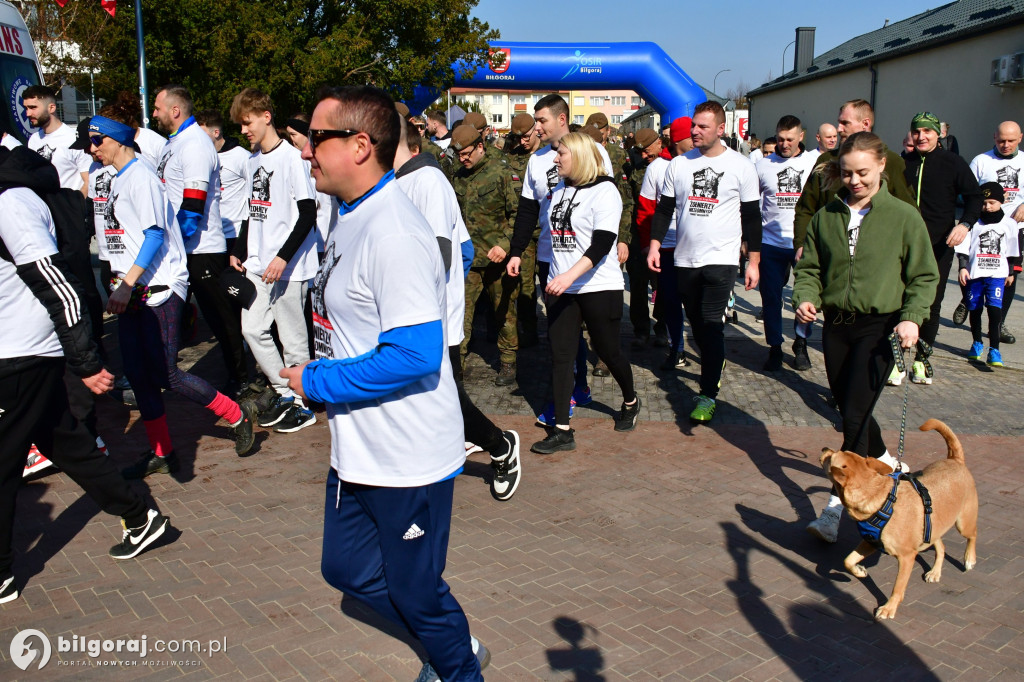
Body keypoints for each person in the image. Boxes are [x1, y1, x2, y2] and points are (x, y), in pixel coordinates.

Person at [282, 84, 488, 681]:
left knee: (417, 592)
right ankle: (453, 648)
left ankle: (458, 666)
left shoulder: (393, 232)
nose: (306, 152)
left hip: (408, 456)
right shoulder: (350, 216)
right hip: (359, 448)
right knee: (347, 573)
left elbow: (415, 356)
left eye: (318, 139)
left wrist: (316, 380)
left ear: (362, 145)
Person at [0, 142, 173, 604]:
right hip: (17, 353)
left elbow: (62, 288)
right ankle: (140, 516)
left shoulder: (10, 202)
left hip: (20, 354)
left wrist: (86, 362)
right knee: (67, 444)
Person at [89, 110, 255, 478]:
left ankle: (236, 413)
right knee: (137, 373)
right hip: (131, 289)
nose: (92, 148)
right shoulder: (116, 179)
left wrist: (129, 283)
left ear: (117, 139)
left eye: (97, 140)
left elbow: (154, 235)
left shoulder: (141, 179)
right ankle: (161, 451)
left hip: (159, 288)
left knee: (167, 375)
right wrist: (120, 281)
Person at [793, 131, 939, 543]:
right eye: (846, 173)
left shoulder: (903, 216)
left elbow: (925, 275)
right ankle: (890, 466)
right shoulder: (827, 217)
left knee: (854, 417)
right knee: (847, 405)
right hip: (837, 325)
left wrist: (912, 318)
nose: (854, 181)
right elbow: (810, 270)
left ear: (881, 166)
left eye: (862, 172)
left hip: (882, 326)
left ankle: (835, 508)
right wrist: (806, 297)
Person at [395, 116, 522, 501]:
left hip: (427, 318)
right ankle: (445, 447)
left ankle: (500, 447)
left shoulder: (429, 180)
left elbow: (446, 252)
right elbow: (465, 246)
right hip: (412, 316)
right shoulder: (397, 183)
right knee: (428, 396)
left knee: (443, 395)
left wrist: (438, 303)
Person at [508, 132, 640, 454]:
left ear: (579, 156)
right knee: (561, 355)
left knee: (608, 351)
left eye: (561, 154)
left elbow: (602, 243)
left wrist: (569, 276)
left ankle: (631, 400)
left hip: (598, 286)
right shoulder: (559, 190)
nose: (555, 160)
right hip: (561, 287)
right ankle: (562, 431)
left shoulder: (606, 191)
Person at [647, 100, 762, 423]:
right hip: (685, 259)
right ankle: (716, 360)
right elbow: (665, 208)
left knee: (711, 326)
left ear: (721, 129)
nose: (695, 132)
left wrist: (753, 261)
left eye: (703, 126)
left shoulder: (741, 166)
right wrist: (655, 245)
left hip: (722, 261)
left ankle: (707, 393)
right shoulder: (679, 165)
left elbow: (752, 217)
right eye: (694, 126)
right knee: (697, 326)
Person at [792, 99, 917, 364]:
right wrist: (802, 242)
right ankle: (805, 346)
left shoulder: (890, 161)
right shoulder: (826, 161)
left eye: (844, 122)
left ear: (865, 124)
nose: (838, 128)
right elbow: (806, 207)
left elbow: (906, 209)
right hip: (829, 253)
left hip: (871, 266)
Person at [229, 87, 319, 433]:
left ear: (267, 117)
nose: (243, 130)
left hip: (291, 266)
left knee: (293, 338)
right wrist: (240, 248)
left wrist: (283, 257)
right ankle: (285, 390)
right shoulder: (252, 160)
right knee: (251, 328)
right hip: (257, 263)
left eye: (247, 122)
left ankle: (302, 403)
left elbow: (307, 213)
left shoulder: (293, 159)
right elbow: (252, 213)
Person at [152, 85, 247, 395]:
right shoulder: (174, 143)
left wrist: (173, 242)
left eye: (157, 108)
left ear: (175, 110)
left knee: (222, 320)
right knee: (204, 319)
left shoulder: (194, 144)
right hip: (183, 248)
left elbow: (193, 203)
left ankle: (244, 379)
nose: (154, 113)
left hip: (202, 248)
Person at [901, 112, 981, 385]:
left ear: (939, 134)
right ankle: (897, 360)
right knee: (899, 301)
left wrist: (965, 225)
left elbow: (974, 198)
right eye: (916, 131)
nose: (921, 136)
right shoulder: (903, 164)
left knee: (931, 305)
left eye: (927, 131)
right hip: (904, 246)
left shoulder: (953, 162)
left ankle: (922, 359)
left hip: (940, 245)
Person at [450, 124, 520, 386]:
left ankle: (508, 363)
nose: (463, 159)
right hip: (468, 259)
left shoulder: (502, 172)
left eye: (467, 153)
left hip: (497, 258)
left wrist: (504, 244)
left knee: (504, 314)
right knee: (461, 315)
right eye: (459, 155)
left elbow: (518, 215)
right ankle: (458, 365)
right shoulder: (458, 176)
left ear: (480, 146)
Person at [755, 115, 819, 371]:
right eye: (780, 139)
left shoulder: (813, 162)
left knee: (806, 297)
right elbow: (750, 204)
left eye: (790, 139)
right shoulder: (763, 165)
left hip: (804, 243)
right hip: (770, 243)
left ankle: (801, 343)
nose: (784, 144)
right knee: (770, 298)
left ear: (801, 136)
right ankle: (774, 347)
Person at [636, 122, 690, 371]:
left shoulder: (703, 163)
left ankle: (712, 352)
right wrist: (649, 244)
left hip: (697, 248)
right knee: (670, 301)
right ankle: (676, 348)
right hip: (667, 247)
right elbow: (646, 209)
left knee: (698, 307)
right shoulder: (657, 168)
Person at [965, 121, 1024, 343]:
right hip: (982, 226)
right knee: (974, 270)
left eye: (1010, 140)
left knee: (1008, 274)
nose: (1005, 145)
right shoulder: (982, 161)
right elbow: (968, 191)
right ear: (994, 138)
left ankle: (999, 325)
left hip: (1014, 228)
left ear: (1020, 138)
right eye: (1001, 140)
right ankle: (969, 302)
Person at [956, 182, 1019, 367]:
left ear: (1001, 201)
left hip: (997, 274)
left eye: (992, 202)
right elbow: (963, 248)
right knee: (974, 308)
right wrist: (963, 267)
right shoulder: (972, 221)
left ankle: (994, 349)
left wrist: (1010, 272)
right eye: (984, 203)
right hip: (975, 273)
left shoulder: (1009, 223)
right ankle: (977, 343)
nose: (987, 207)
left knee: (994, 309)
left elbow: (1012, 251)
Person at [504, 112, 540, 347]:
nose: (523, 142)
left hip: (547, 231)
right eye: (519, 138)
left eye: (526, 136)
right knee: (525, 286)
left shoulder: (554, 154)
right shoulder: (510, 159)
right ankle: (530, 331)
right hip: (525, 231)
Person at [22, 85, 91, 196]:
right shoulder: (34, 139)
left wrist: (74, 207)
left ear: (51, 108)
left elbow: (88, 182)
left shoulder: (73, 138)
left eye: (33, 107)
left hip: (67, 210)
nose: (28, 113)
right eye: (26, 108)